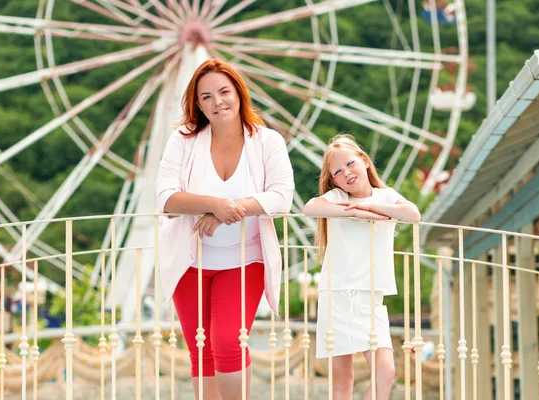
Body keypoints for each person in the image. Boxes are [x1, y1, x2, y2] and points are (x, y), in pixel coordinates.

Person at [156, 59, 294, 400]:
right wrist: (212, 204)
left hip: (245, 261)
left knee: (228, 342)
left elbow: (281, 197)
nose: (218, 102)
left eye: (224, 92)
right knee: (201, 350)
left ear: (238, 93)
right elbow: (166, 197)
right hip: (190, 262)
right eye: (207, 97)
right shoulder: (183, 141)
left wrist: (227, 212)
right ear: (197, 105)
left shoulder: (267, 141)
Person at [303, 134, 421, 400]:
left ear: (365, 161)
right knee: (342, 378)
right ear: (333, 180)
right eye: (338, 171)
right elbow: (310, 207)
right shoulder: (336, 198)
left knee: (386, 371)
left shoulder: (387, 197)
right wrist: (354, 211)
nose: (346, 173)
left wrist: (367, 205)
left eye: (350, 164)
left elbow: (413, 214)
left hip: (371, 296)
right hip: (337, 294)